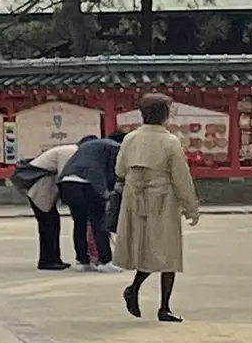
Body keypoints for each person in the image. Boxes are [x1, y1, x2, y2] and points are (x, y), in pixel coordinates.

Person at [115, 95, 200, 321]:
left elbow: (120, 169)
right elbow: (181, 177)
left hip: (135, 196)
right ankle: (164, 306)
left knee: (145, 249)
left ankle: (135, 288)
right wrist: (191, 206)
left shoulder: (130, 138)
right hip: (162, 198)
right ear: (165, 114)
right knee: (167, 251)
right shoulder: (170, 141)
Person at [58, 130, 120, 270]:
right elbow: (112, 172)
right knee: (98, 221)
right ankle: (105, 261)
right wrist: (109, 192)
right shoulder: (115, 148)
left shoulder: (88, 146)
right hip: (87, 182)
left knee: (79, 222)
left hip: (66, 182)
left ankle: (82, 261)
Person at [12, 143, 75, 269]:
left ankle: (54, 258)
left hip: (45, 186)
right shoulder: (70, 153)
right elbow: (64, 176)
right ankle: (47, 261)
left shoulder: (70, 151)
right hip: (40, 187)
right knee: (48, 224)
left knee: (52, 223)